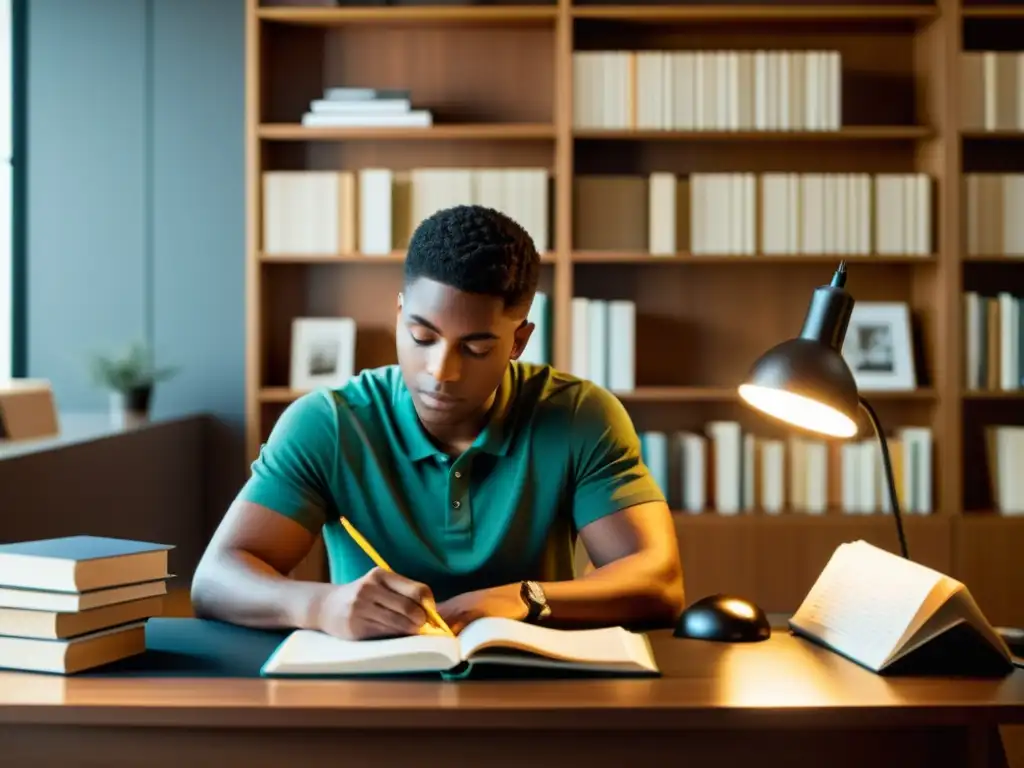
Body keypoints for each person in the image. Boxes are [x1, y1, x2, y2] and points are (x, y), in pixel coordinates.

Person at [191, 204, 685, 640]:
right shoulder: (330, 423)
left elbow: (658, 580)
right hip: (368, 693)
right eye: (422, 337)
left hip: (532, 695)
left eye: (475, 348)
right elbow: (215, 579)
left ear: (518, 341)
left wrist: (526, 597)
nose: (440, 373)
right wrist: (320, 605)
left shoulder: (579, 416)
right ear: (400, 312)